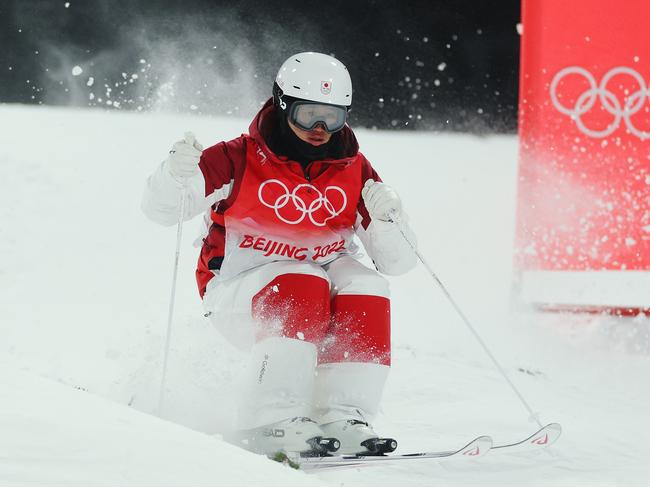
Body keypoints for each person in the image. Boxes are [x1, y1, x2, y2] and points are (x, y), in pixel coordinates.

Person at [142, 52, 417, 456]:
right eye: (309, 115)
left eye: (333, 117)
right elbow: (162, 211)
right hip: (238, 291)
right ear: (283, 103)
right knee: (303, 278)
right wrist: (173, 174)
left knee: (368, 285)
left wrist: (390, 220)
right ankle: (271, 417)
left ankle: (344, 414)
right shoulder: (236, 157)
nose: (320, 129)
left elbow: (398, 263)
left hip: (317, 290)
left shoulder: (353, 168)